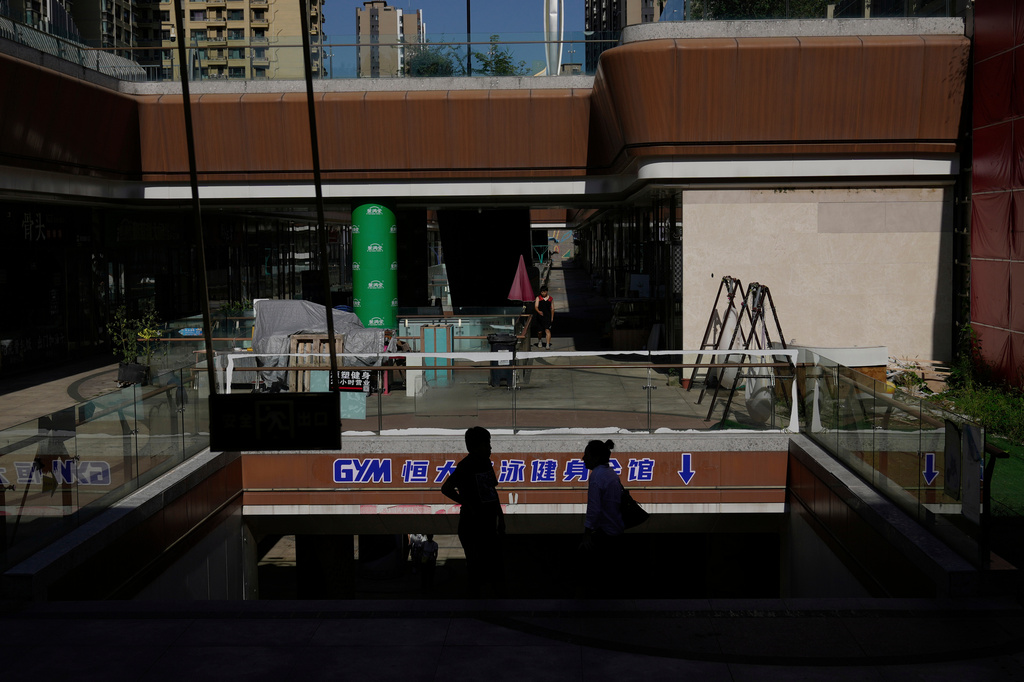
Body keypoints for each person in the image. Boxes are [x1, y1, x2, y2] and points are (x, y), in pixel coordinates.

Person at [441, 426, 506, 597]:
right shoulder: (465, 466)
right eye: (487, 444)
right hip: (472, 526)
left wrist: (501, 517)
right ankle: (477, 601)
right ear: (475, 447)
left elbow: (492, 491)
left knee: (492, 564)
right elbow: (446, 488)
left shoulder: (485, 463)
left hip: (489, 523)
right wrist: (467, 504)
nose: (490, 448)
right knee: (476, 565)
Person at [580, 439, 624, 585]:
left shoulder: (596, 476)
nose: (583, 459)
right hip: (616, 531)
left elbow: (594, 509)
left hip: (604, 534)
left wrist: (587, 534)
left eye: (587, 455)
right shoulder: (610, 473)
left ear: (596, 457)